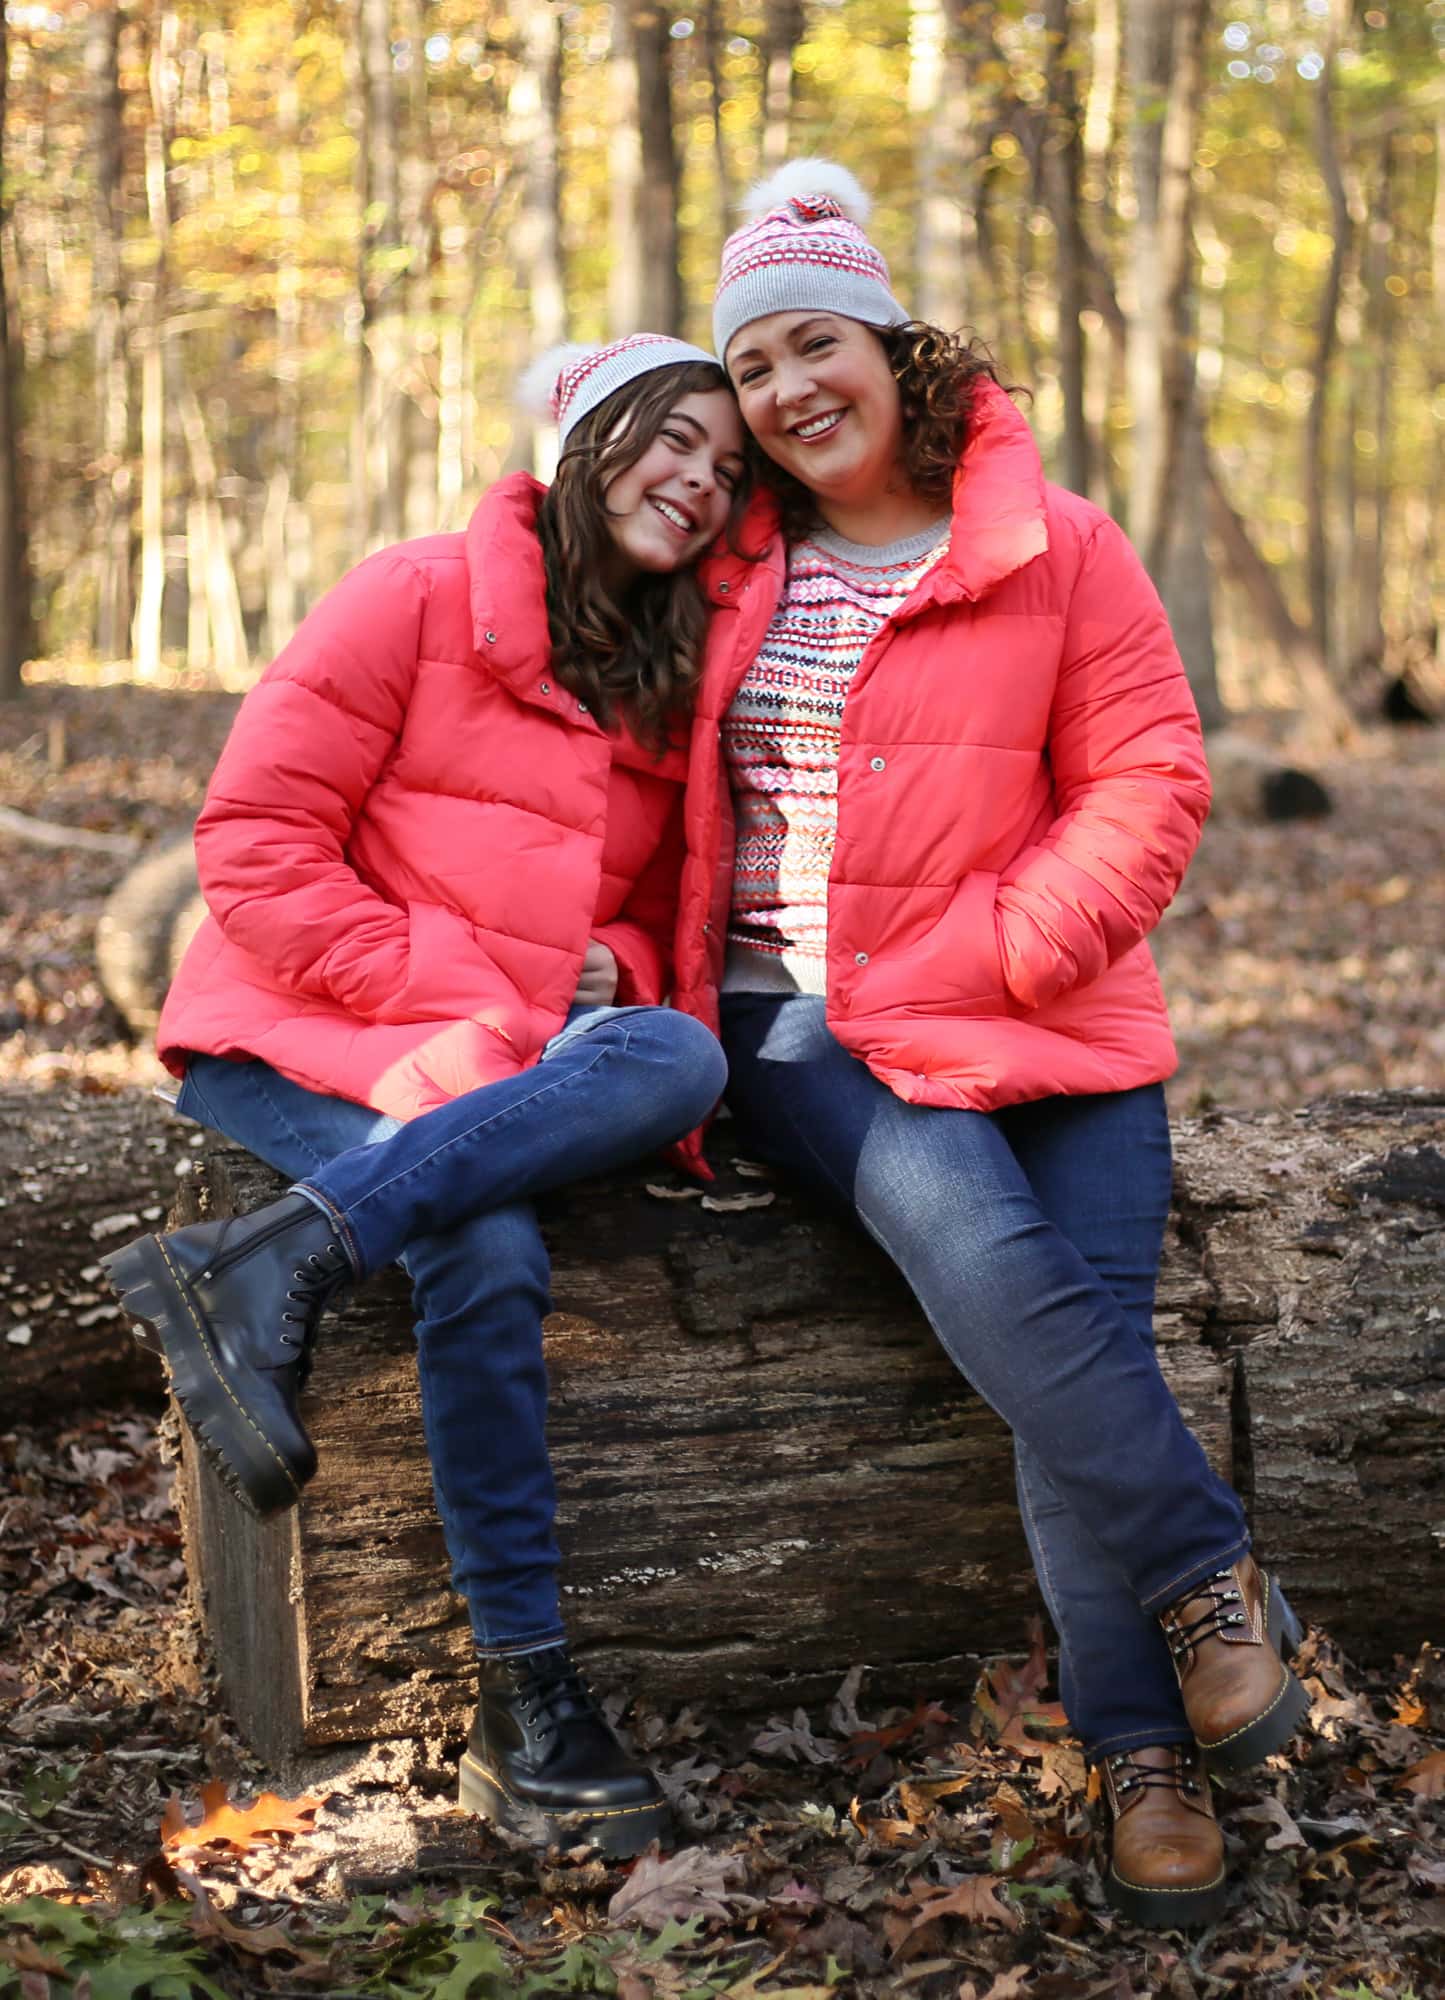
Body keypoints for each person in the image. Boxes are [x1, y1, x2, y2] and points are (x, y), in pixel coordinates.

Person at [667, 162, 1308, 1928]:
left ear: (890, 343)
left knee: (1067, 1335)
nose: (791, 388)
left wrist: (1012, 950)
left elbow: (1148, 780)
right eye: (756, 366)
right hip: (802, 1019)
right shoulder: (725, 564)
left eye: (818, 342)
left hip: (1052, 1006)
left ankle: (1143, 1753)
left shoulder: (1057, 540)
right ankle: (1208, 1593)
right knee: (985, 1254)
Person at [101, 333, 745, 1859]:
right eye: (675, 441)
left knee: (678, 1049)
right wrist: (456, 990)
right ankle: (528, 1700)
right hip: (295, 1034)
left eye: (728, 473)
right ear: (590, 437)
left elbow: (651, 924)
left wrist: (607, 960)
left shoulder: (662, 680)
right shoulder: (412, 593)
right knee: (486, 1247)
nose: (701, 484)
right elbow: (253, 843)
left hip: (492, 1067)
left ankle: (270, 1263)